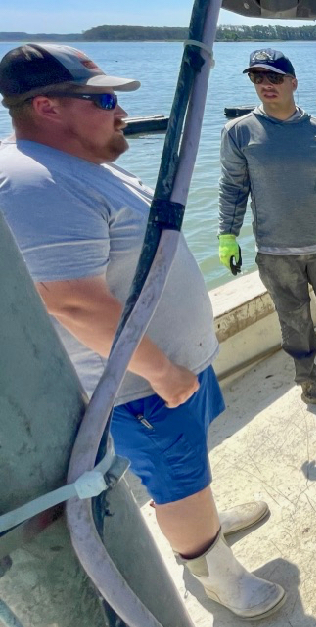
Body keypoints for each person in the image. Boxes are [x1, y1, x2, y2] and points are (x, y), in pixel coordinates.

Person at [0, 43, 283, 619]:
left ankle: (205, 526)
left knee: (185, 471)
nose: (121, 111)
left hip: (170, 372)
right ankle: (214, 572)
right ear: (47, 107)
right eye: (103, 99)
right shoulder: (32, 182)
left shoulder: (80, 165)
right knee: (177, 480)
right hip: (141, 388)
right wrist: (161, 368)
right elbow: (72, 302)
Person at [217, 48, 316, 405]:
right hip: (275, 252)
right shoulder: (238, 133)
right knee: (294, 319)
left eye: (274, 77)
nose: (266, 84)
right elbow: (233, 188)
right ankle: (307, 378)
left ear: (293, 83)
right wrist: (227, 234)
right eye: (258, 77)